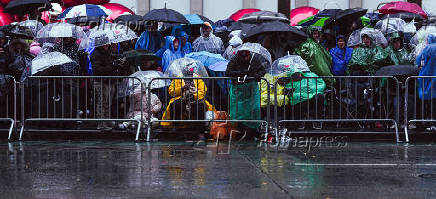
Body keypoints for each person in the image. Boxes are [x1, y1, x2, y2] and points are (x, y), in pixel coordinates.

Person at [226, 49, 267, 136]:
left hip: (251, 89)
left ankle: (254, 130)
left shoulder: (254, 59)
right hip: (238, 89)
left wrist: (257, 75)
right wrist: (240, 73)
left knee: (254, 109)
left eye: (246, 56)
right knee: (239, 111)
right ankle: (240, 130)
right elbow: (228, 72)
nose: (245, 58)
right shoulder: (234, 59)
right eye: (242, 57)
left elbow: (262, 71)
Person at [91, 43, 116, 131]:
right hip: (101, 81)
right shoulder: (95, 54)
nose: (107, 45)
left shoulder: (108, 53)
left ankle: (107, 121)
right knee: (102, 103)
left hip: (109, 81)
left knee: (108, 103)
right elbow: (98, 69)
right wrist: (111, 67)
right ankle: (101, 124)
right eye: (104, 43)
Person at [416, 34, 436, 131]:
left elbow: (419, 61)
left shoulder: (427, 48)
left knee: (425, 101)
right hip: (434, 79)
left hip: (426, 78)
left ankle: (424, 123)